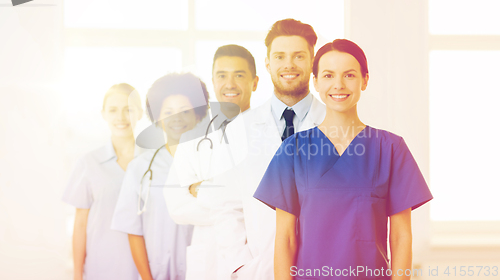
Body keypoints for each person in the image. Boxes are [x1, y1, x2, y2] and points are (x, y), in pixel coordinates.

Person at [254, 39, 433, 280]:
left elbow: (401, 237)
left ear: (364, 80)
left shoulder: (391, 149)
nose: (338, 85)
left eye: (349, 75)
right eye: (328, 75)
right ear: (315, 82)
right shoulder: (293, 150)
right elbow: (285, 239)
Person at [228, 18, 326, 279]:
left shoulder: (334, 124)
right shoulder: (240, 129)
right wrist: (241, 266)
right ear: (268, 63)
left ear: (313, 61)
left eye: (298, 56)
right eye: (280, 56)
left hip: (323, 266)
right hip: (259, 270)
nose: (289, 65)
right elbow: (229, 206)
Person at [164, 44, 259, 280]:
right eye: (222, 75)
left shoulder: (271, 136)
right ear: (214, 82)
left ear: (255, 82)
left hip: (258, 258)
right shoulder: (192, 139)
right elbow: (178, 207)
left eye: (239, 75)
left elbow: (273, 204)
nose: (230, 84)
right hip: (208, 263)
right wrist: (245, 205)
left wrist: (202, 190)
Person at [111, 73, 210, 280]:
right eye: (168, 112)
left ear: (198, 115)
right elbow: (133, 230)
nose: (177, 118)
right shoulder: (140, 168)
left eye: (185, 111)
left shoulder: (212, 165)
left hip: (204, 271)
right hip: (155, 273)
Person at [62, 83, 142, 280]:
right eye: (113, 110)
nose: (121, 117)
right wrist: (77, 275)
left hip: (144, 271)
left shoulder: (154, 162)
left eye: (128, 109)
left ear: (140, 113)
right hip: (101, 269)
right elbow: (80, 224)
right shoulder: (88, 163)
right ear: (103, 114)